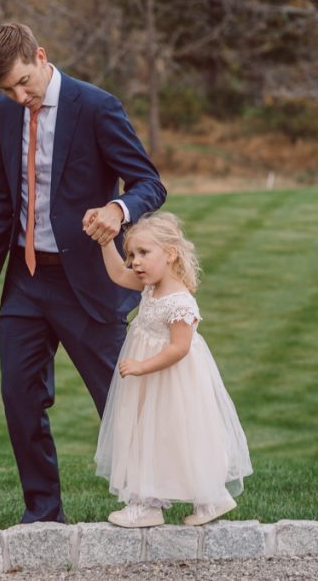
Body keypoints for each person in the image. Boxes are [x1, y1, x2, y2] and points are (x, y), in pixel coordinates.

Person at [0, 22, 166, 523]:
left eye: (23, 82)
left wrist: (117, 211)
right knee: (18, 395)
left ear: (41, 56)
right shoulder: (6, 111)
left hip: (89, 282)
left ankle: (144, 500)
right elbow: (0, 197)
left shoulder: (97, 107)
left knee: (118, 397)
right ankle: (42, 514)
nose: (19, 96)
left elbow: (148, 182)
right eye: (7, 90)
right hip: (26, 280)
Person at [92, 211, 252, 527]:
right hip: (150, 378)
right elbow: (116, 275)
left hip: (171, 379)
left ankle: (208, 498)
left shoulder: (180, 302)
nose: (135, 262)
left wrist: (142, 366)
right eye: (131, 254)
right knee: (145, 433)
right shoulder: (150, 286)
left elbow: (179, 348)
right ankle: (148, 503)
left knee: (175, 435)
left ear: (170, 254)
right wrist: (105, 242)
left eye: (143, 254)